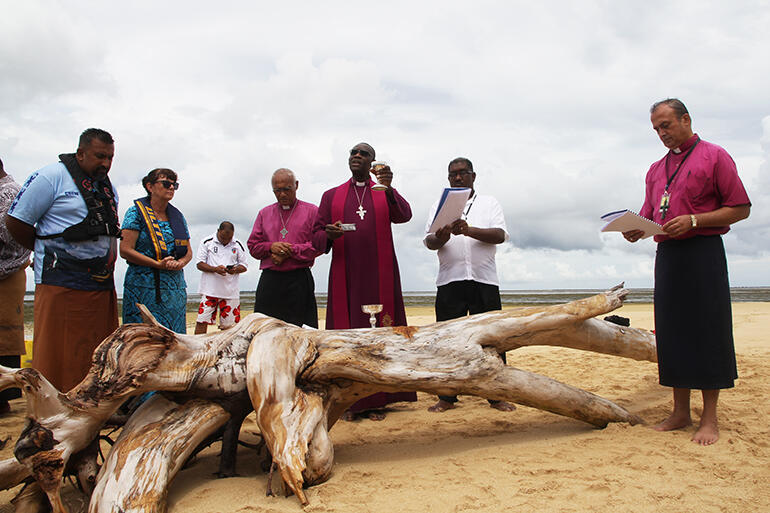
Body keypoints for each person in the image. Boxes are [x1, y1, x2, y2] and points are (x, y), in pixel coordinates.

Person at [623, 99, 750, 445]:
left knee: (708, 330)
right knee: (673, 331)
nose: (662, 133)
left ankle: (709, 418)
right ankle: (680, 411)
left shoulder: (715, 155)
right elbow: (652, 214)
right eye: (656, 129)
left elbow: (740, 208)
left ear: (686, 120)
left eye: (666, 125)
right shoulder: (655, 169)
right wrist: (637, 228)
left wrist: (695, 220)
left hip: (703, 251)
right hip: (668, 255)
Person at [6, 129, 121, 392]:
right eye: (99, 156)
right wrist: (44, 249)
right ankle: (54, 413)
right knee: (58, 352)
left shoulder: (107, 186)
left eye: (110, 157)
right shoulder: (50, 177)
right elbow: (16, 221)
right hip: (61, 283)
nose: (106, 163)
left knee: (97, 351)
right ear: (80, 153)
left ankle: (91, 407)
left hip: (100, 287)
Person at [312, 143, 416, 420]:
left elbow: (404, 216)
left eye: (363, 154)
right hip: (346, 274)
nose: (357, 156)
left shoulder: (382, 192)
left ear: (372, 162)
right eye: (353, 153)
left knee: (380, 336)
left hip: (380, 272)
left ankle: (377, 398)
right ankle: (347, 399)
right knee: (348, 337)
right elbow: (316, 236)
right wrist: (329, 235)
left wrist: (390, 189)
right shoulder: (331, 195)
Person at [423, 157, 516, 414]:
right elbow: (429, 242)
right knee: (447, 340)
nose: (458, 177)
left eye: (463, 173)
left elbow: (499, 235)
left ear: (474, 176)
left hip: (483, 280)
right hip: (450, 280)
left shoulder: (489, 203)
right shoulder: (439, 206)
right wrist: (440, 237)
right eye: (453, 174)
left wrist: (469, 230)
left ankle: (496, 395)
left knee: (492, 341)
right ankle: (446, 396)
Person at [120, 168, 192, 333]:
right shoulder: (136, 213)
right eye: (166, 183)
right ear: (150, 186)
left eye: (175, 185)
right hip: (143, 287)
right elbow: (125, 249)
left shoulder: (178, 217)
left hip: (174, 290)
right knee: (143, 340)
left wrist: (180, 263)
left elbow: (188, 251)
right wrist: (156, 264)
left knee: (174, 340)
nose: (171, 188)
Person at [248, 168, 321, 327]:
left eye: (287, 189)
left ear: (296, 185)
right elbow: (253, 246)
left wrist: (290, 251)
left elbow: (318, 245)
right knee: (264, 330)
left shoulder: (312, 211)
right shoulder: (264, 213)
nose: (282, 194)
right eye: (277, 190)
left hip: (299, 279)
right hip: (270, 280)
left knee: (302, 332)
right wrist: (271, 247)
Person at [0, 158, 31, 412]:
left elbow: (9, 236)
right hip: (8, 270)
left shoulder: (9, 193)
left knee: (5, 337)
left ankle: (4, 396)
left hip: (7, 271)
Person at [195, 221, 248, 334]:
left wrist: (234, 270)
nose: (226, 240)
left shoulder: (237, 244)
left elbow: (244, 266)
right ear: (218, 231)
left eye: (229, 238)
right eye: (223, 237)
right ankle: (197, 347)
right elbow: (199, 264)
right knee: (202, 321)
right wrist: (215, 269)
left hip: (230, 292)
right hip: (210, 291)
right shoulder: (207, 242)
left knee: (230, 327)